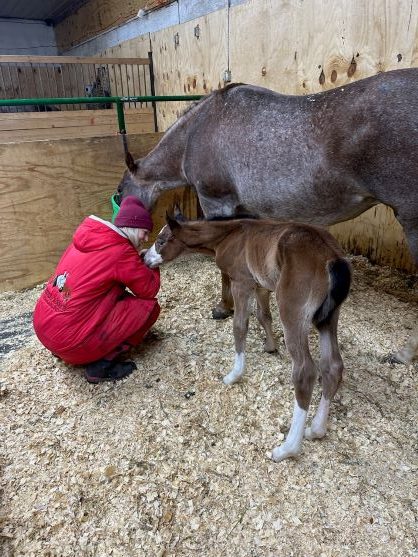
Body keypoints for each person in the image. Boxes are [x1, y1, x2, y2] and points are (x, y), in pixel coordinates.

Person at [33, 196, 160, 383]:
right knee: (149, 309)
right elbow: (149, 290)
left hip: (45, 330)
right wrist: (152, 263)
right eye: (145, 232)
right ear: (133, 227)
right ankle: (101, 366)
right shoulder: (120, 251)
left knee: (106, 294)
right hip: (70, 343)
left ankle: (62, 350)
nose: (147, 238)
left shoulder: (87, 238)